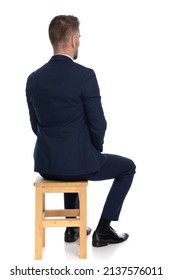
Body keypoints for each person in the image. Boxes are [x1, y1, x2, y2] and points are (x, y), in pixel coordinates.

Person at [26, 15, 136, 247]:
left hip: (47, 165)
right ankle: (103, 230)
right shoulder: (85, 75)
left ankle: (71, 228)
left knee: (72, 159)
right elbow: (99, 123)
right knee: (128, 167)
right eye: (80, 38)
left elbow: (35, 126)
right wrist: (94, 149)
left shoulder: (33, 79)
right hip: (78, 163)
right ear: (74, 39)